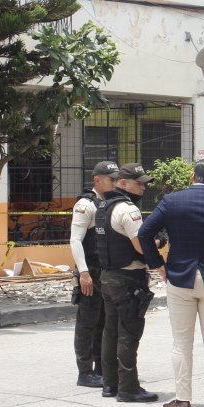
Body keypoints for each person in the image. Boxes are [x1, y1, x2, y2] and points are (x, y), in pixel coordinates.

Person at [139, 160, 204, 407]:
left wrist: (158, 265)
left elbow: (144, 233)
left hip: (179, 278)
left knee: (181, 342)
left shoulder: (172, 201)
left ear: (191, 176)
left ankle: (183, 399)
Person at [94, 162, 159, 403]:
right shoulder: (127, 210)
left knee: (110, 332)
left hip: (109, 277)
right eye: (138, 183)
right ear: (123, 183)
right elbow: (140, 246)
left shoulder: (103, 206)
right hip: (128, 279)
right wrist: (158, 247)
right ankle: (128, 387)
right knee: (128, 334)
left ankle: (110, 384)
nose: (143, 188)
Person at [69, 161, 117, 389]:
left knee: (103, 321)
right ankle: (85, 372)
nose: (115, 183)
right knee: (87, 322)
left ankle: (101, 367)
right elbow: (75, 239)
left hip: (105, 271)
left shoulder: (108, 203)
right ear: (97, 179)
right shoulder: (85, 204)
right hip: (90, 272)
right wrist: (83, 273)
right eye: (111, 179)